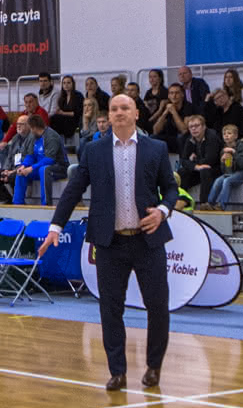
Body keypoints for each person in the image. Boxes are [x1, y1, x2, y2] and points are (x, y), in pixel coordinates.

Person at [40, 94, 178, 391]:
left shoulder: (156, 148)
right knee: (110, 309)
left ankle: (154, 366)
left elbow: (170, 188)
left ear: (136, 114)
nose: (118, 112)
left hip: (148, 241)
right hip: (109, 243)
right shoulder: (94, 150)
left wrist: (163, 211)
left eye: (124, 108)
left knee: (158, 306)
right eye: (114, 109)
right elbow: (74, 190)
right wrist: (56, 225)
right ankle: (117, 371)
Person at [178, 114, 222, 204]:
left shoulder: (211, 137)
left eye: (196, 126)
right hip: (200, 168)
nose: (194, 129)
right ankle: (181, 200)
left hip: (216, 168)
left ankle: (204, 203)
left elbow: (210, 160)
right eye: (191, 127)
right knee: (182, 172)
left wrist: (194, 161)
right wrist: (196, 166)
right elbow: (183, 160)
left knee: (205, 170)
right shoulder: (190, 139)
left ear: (204, 127)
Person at [208, 124, 243, 210]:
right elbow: (226, 170)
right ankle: (209, 203)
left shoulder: (242, 146)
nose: (226, 136)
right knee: (218, 180)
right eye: (224, 134)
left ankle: (221, 205)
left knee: (227, 180)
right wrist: (224, 162)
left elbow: (241, 164)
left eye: (229, 133)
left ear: (235, 136)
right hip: (232, 173)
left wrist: (233, 152)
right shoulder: (224, 149)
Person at [150, 82, 192, 149]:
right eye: (171, 93)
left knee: (181, 137)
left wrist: (173, 112)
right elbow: (155, 130)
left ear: (182, 94)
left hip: (183, 139)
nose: (174, 96)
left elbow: (184, 131)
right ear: (168, 95)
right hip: (169, 138)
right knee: (152, 137)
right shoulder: (167, 106)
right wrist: (165, 112)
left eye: (177, 93)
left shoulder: (188, 107)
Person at [50, 75, 83, 141]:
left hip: (75, 120)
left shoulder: (78, 95)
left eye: (68, 83)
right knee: (53, 118)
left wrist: (63, 113)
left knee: (58, 120)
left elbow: (78, 113)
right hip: (64, 119)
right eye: (64, 83)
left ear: (73, 84)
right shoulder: (62, 96)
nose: (66, 85)